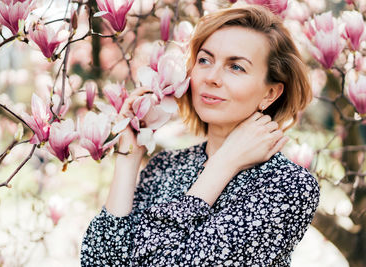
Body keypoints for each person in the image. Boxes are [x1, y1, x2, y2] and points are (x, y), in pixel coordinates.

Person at [81, 5, 319, 267]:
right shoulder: (165, 168)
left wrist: (222, 165)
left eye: (236, 67)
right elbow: (98, 262)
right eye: (205, 60)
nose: (211, 77)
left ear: (270, 94)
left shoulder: (287, 185)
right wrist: (129, 157)